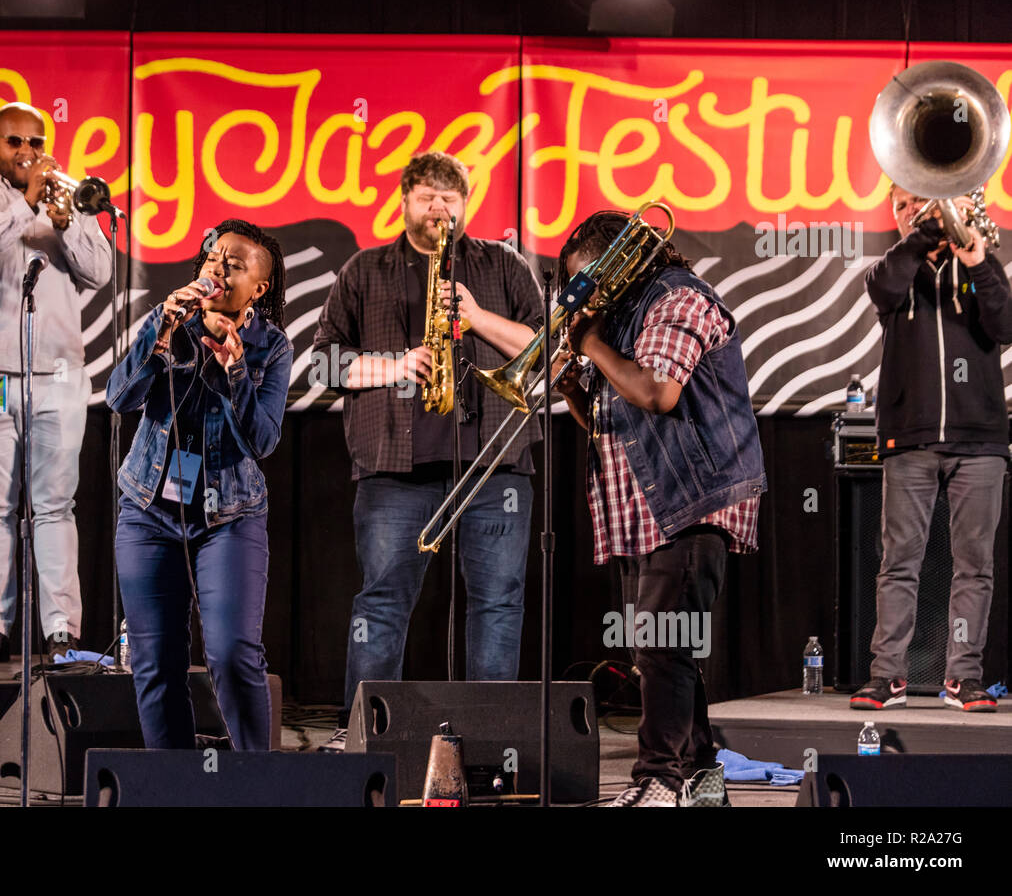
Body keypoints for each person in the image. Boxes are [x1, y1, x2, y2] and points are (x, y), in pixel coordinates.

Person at [312, 151, 544, 751]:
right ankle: (360, 733)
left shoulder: (502, 265)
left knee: (498, 605)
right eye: (427, 196)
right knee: (382, 601)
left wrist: (477, 317)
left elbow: (545, 347)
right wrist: (395, 366)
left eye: (451, 197)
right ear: (404, 201)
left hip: (494, 462)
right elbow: (323, 362)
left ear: (466, 204)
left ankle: (492, 739)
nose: (440, 208)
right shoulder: (364, 270)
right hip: (394, 467)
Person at [554, 210, 765, 807]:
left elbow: (657, 392)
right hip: (643, 511)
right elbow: (611, 421)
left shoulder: (675, 298)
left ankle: (658, 781)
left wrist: (591, 344)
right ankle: (702, 781)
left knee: (662, 645)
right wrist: (575, 388)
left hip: (691, 499)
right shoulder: (624, 319)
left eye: (585, 282)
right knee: (662, 650)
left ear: (614, 266)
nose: (583, 298)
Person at [107, 219, 290, 751]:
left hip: (229, 515)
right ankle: (174, 785)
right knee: (155, 657)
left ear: (259, 287)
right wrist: (159, 330)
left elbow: (262, 440)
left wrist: (235, 372)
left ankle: (259, 785)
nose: (219, 266)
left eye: (236, 264)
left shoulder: (269, 347)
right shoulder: (170, 322)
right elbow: (120, 399)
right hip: (148, 508)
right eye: (214, 257)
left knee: (233, 653)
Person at [0, 102, 112, 662]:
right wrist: (26, 206)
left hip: (60, 376)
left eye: (35, 142)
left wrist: (65, 223)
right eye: (14, 142)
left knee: (55, 506)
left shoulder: (68, 196)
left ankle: (61, 629)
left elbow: (100, 272)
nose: (26, 152)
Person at [853, 185, 1012, 713]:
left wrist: (978, 259)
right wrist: (925, 234)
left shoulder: (978, 261)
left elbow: (1005, 325)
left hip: (980, 439)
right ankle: (888, 677)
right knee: (898, 562)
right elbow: (882, 287)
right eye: (900, 206)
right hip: (910, 438)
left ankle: (962, 678)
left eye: (921, 200)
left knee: (975, 566)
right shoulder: (897, 270)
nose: (911, 211)